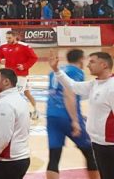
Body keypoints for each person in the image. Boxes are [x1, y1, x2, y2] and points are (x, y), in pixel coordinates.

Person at [49, 51, 114, 179]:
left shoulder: (112, 87)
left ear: (104, 65)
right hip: (98, 142)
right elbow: (73, 86)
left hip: (110, 145)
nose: (88, 65)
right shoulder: (95, 83)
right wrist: (56, 70)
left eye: (92, 62)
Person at [0, 68, 31, 179]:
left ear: (6, 82)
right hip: (19, 157)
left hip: (8, 160)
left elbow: (3, 135)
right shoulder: (16, 99)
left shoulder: (6, 104)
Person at [0, 30, 39, 119]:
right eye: (6, 38)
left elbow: (34, 58)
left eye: (9, 38)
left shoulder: (24, 46)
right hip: (9, 75)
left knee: (17, 95)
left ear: (15, 37)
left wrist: (24, 66)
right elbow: (0, 57)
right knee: (26, 93)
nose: (7, 40)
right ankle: (34, 111)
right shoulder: (3, 47)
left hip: (21, 76)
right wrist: (1, 60)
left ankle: (24, 113)